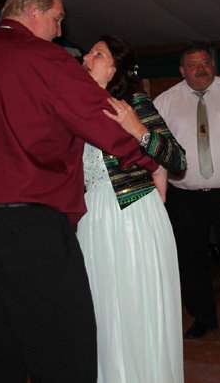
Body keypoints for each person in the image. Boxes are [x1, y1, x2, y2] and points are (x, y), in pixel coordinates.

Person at [0, 0, 159, 382]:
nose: (60, 31)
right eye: (57, 19)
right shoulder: (45, 59)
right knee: (64, 342)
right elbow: (98, 117)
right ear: (33, 12)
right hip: (22, 222)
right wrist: (147, 156)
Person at [78, 35, 186, 382]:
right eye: (88, 52)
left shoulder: (134, 103)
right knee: (101, 305)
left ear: (116, 68)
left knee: (137, 302)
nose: (87, 57)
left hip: (134, 212)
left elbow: (176, 158)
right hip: (90, 218)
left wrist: (138, 130)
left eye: (98, 53)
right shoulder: (74, 107)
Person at [153, 43, 220, 339]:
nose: (200, 69)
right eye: (193, 65)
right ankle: (203, 317)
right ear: (182, 70)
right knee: (190, 257)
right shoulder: (164, 102)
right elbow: (155, 149)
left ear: (213, 64)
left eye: (205, 63)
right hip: (184, 195)